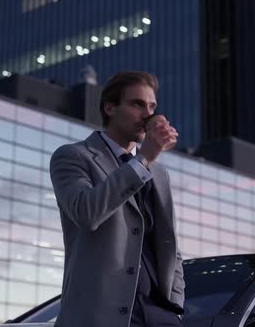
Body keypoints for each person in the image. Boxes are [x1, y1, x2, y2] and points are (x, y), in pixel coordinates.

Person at [49, 71, 185, 327]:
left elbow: (171, 246)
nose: (148, 114)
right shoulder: (73, 156)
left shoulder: (159, 173)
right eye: (137, 104)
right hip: (101, 315)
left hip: (159, 314)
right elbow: (86, 213)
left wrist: (175, 306)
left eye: (152, 106)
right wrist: (143, 159)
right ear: (110, 107)